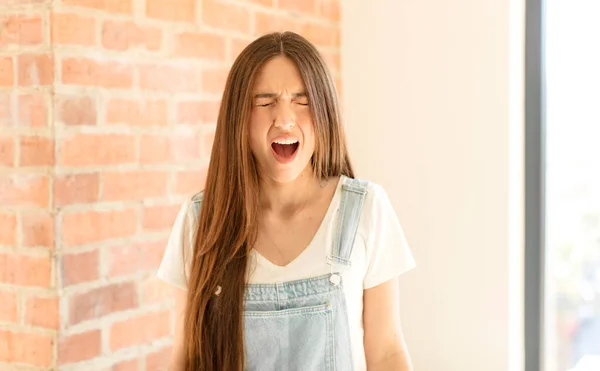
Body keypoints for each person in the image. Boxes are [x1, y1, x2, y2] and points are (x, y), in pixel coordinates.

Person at [156, 31, 416, 371]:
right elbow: (187, 357)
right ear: (239, 119)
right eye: (265, 103)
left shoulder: (365, 209)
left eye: (302, 100)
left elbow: (386, 353)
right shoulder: (202, 220)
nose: (284, 118)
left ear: (324, 112)